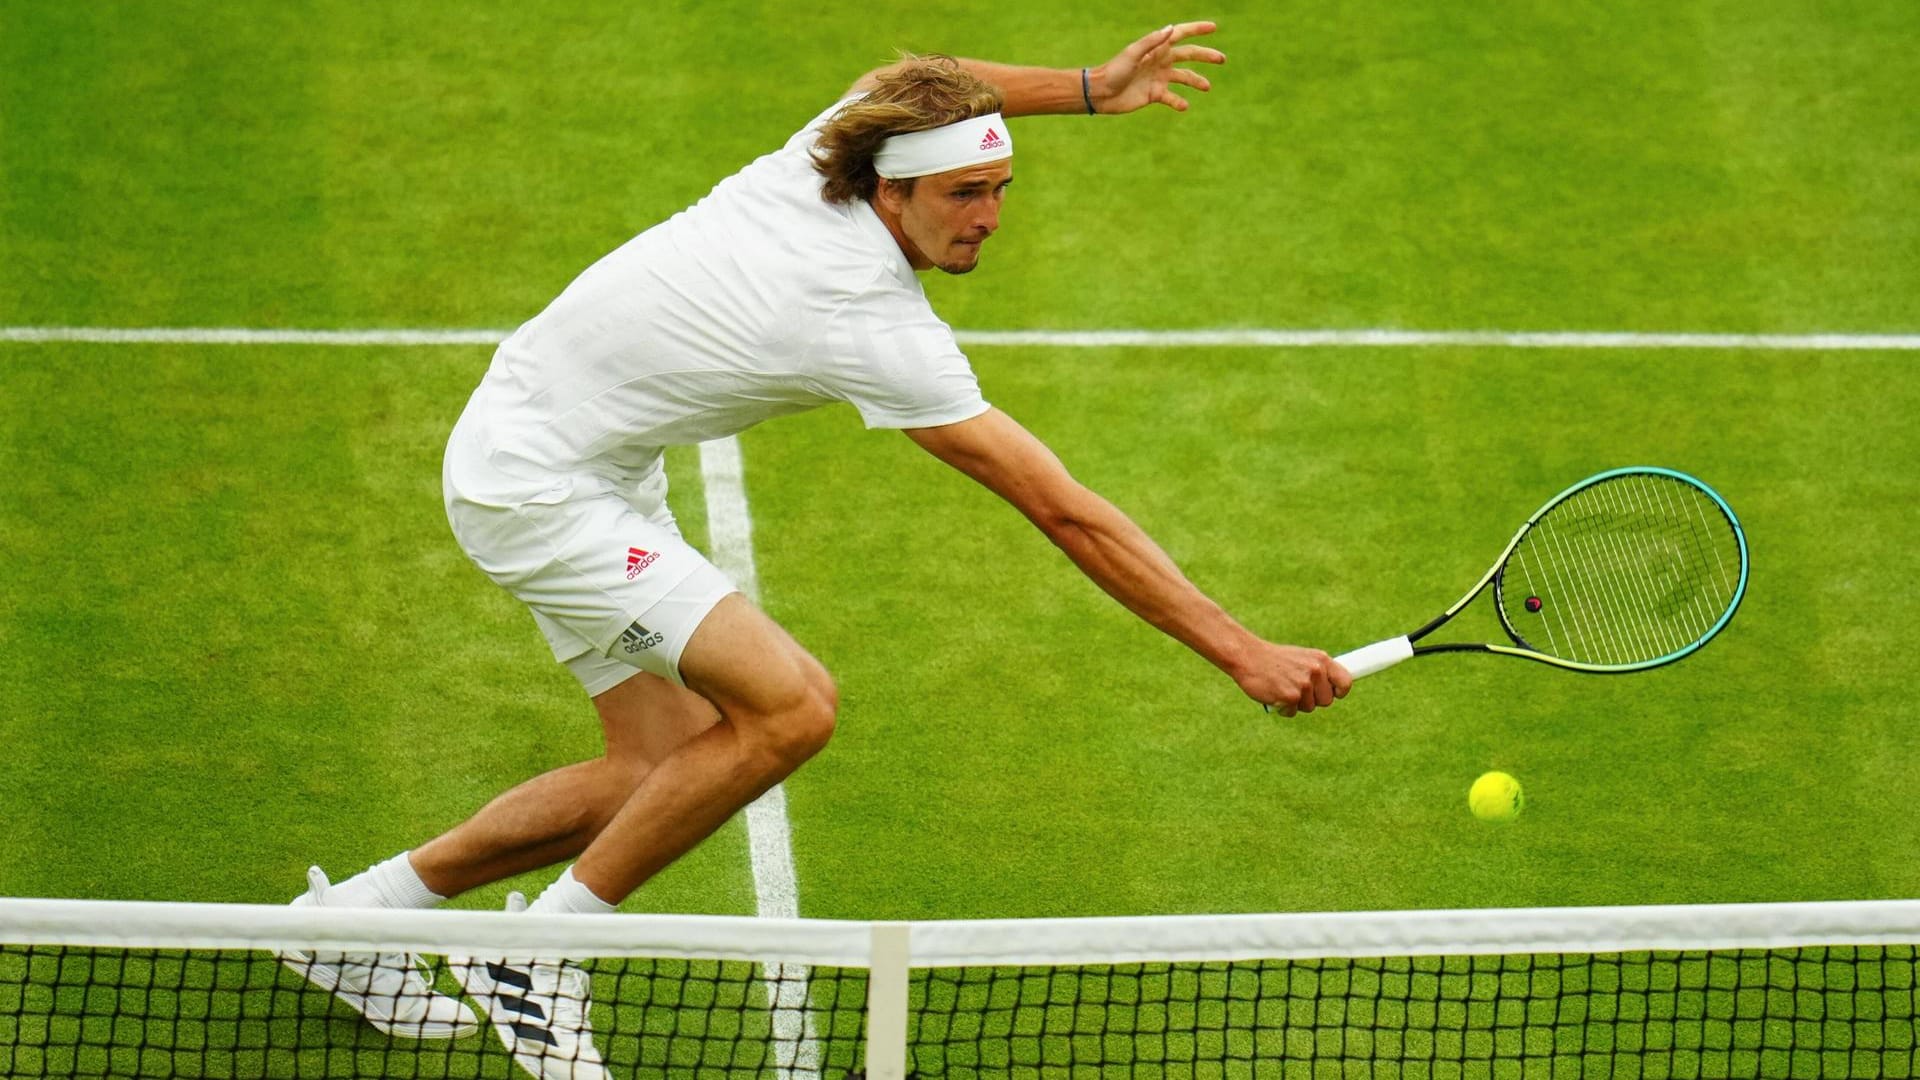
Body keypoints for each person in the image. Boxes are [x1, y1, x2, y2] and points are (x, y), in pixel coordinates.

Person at [288, 21, 1351, 1079]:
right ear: (892, 195)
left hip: (570, 443)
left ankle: (353, 922)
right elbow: (1064, 510)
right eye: (961, 197)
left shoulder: (839, 144)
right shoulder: (865, 318)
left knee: (659, 771)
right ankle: (544, 955)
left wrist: (1086, 86)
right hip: (536, 487)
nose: (987, 220)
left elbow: (919, 82)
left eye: (999, 190)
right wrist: (1241, 651)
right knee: (792, 706)